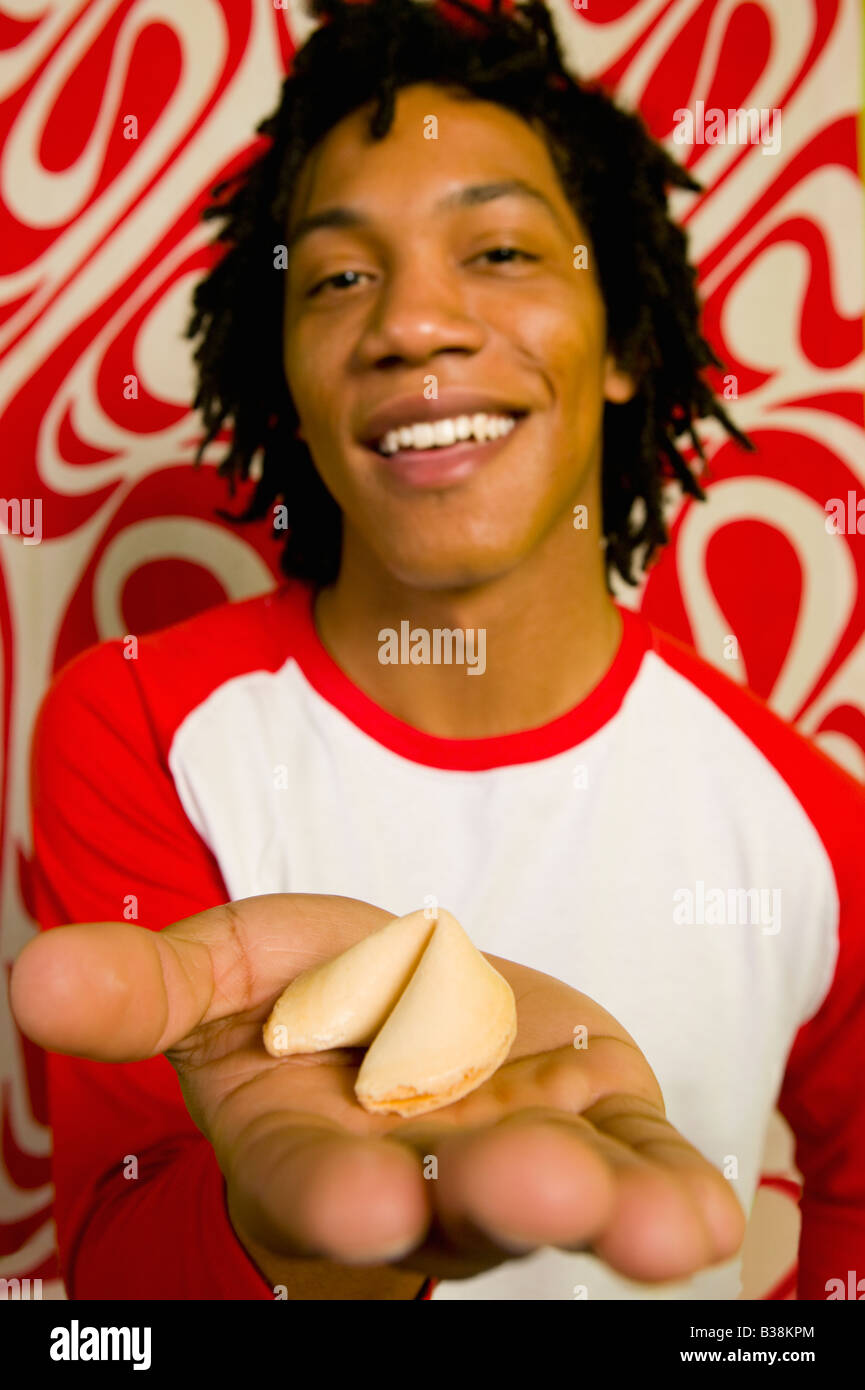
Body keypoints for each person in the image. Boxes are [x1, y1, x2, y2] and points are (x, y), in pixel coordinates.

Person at [10, 0, 865, 1301]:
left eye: (504, 250)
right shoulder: (135, 725)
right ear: (288, 372)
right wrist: (288, 1230)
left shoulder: (812, 826)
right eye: (340, 277)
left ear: (626, 339)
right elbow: (109, 1311)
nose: (412, 324)